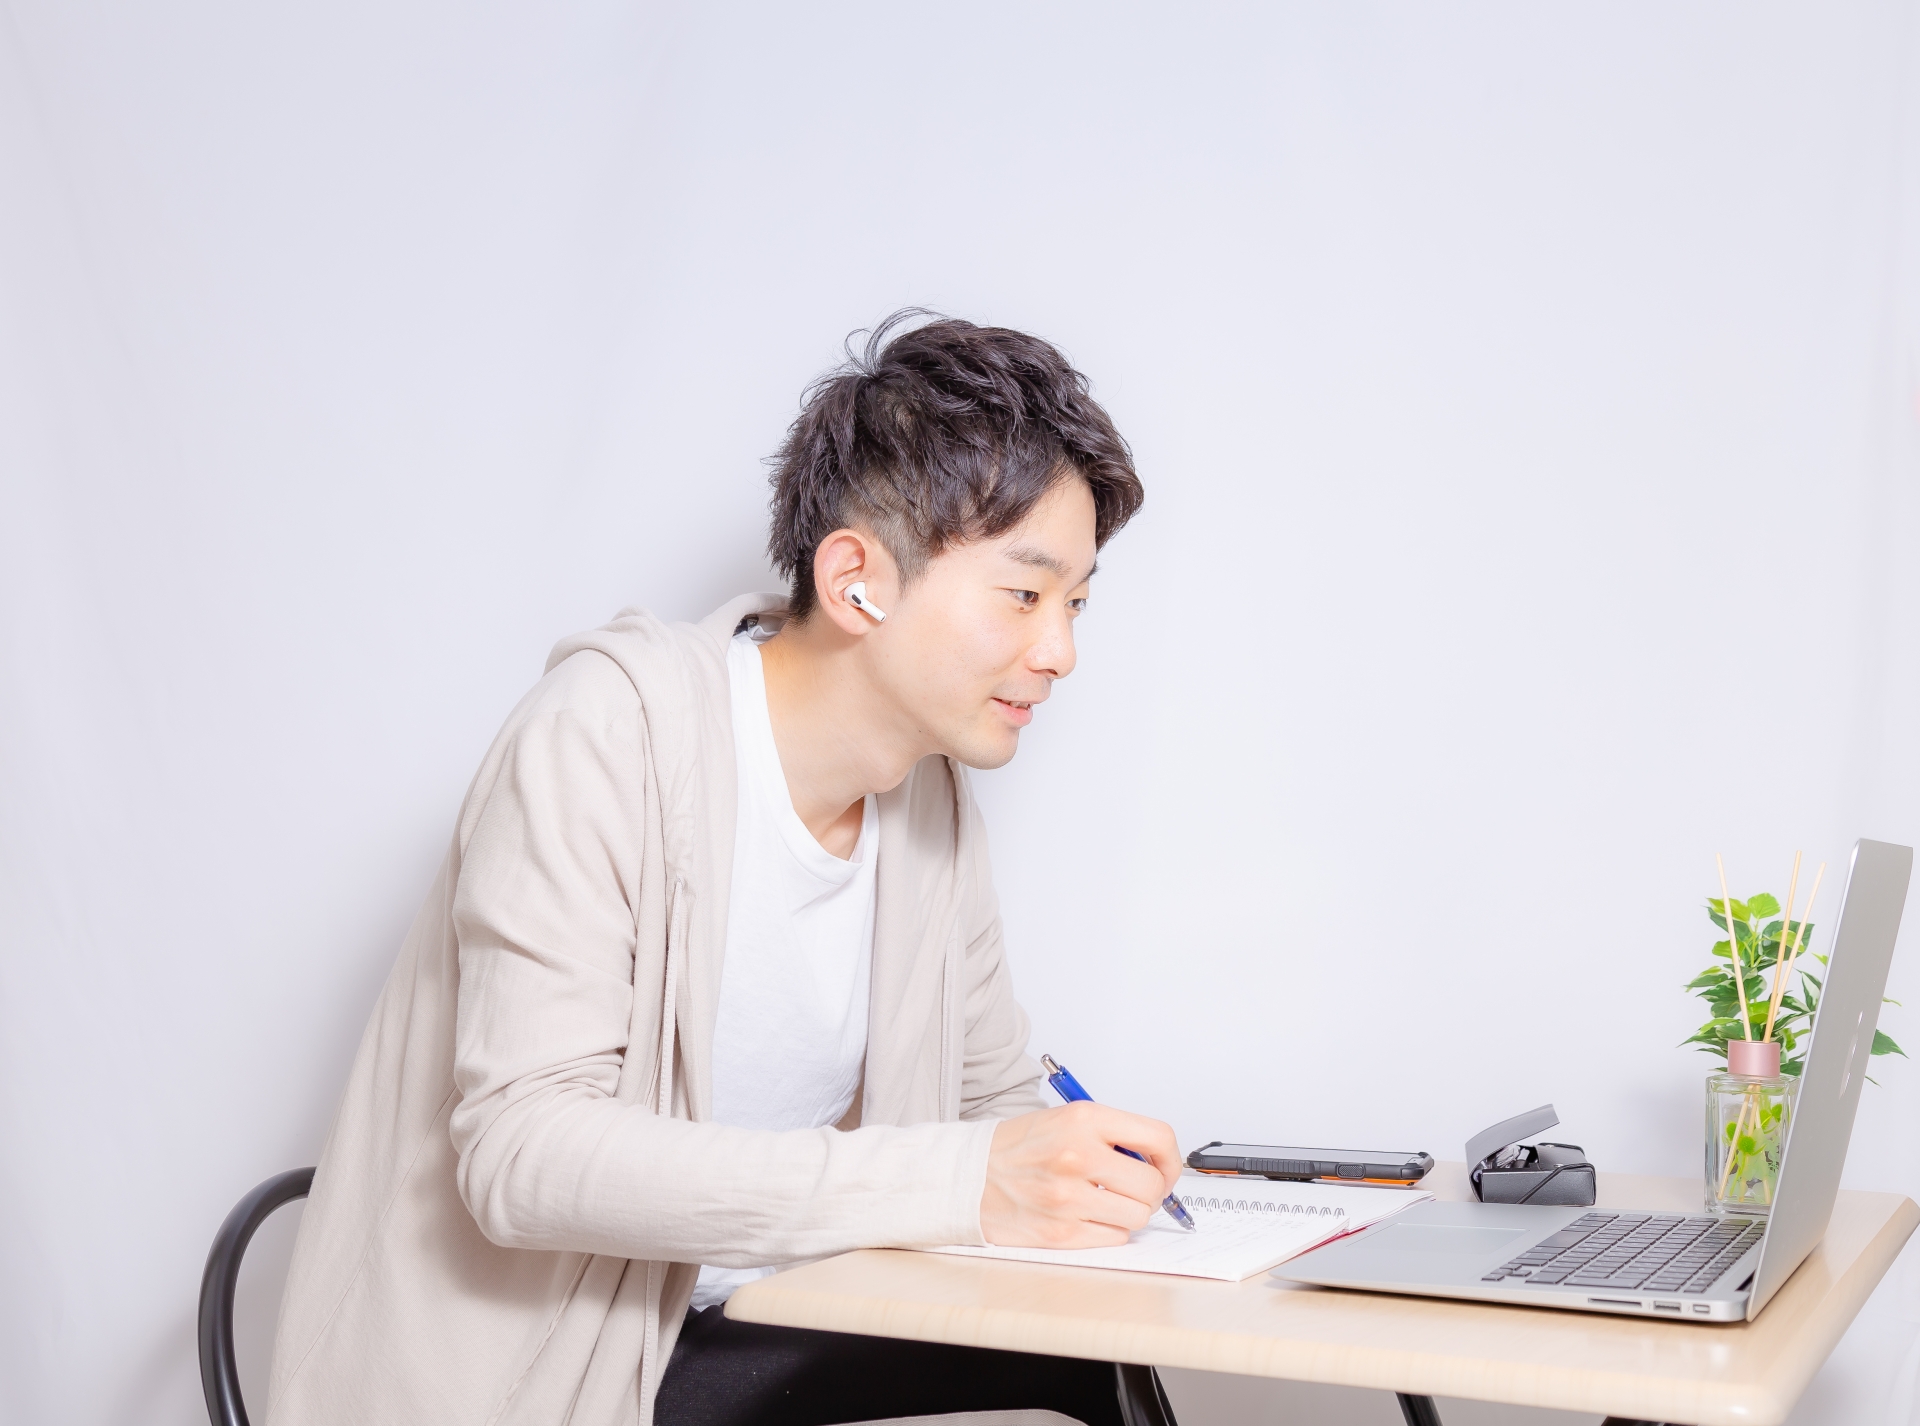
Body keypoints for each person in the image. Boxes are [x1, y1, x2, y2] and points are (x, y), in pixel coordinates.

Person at [266, 312, 1181, 1426]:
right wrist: (968, 1178)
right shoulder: (607, 735)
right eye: (1025, 595)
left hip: (747, 1325)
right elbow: (522, 1155)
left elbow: (987, 1107)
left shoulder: (932, 804)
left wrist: (1087, 1176)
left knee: (1090, 1365)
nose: (1061, 652)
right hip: (538, 1377)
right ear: (857, 580)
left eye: (1076, 603)